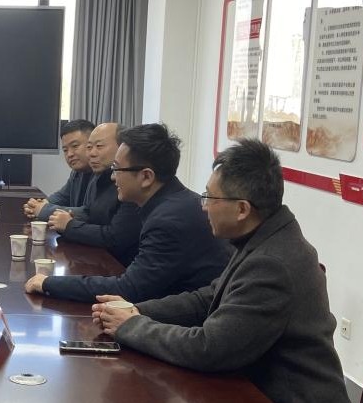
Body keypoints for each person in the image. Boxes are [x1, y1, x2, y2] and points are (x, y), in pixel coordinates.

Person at [93, 139, 352, 403]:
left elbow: (209, 348)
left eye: (210, 198)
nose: (203, 206)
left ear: (242, 209)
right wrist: (136, 309)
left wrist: (132, 326)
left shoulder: (271, 263)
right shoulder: (263, 237)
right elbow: (208, 298)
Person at [25, 123, 232, 303]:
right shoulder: (172, 201)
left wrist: (48, 283)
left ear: (146, 177)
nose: (113, 178)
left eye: (117, 169)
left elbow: (128, 289)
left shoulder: (169, 220)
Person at [46, 122, 142, 266]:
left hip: (120, 267)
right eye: (89, 147)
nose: (91, 153)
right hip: (96, 260)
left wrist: (69, 225)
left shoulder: (131, 183)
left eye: (99, 146)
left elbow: (115, 238)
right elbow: (88, 214)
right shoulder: (97, 177)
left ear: (122, 148)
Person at [23, 119, 95, 221]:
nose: (69, 154)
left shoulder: (106, 174)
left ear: (91, 145)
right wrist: (37, 205)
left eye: (75, 146)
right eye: (65, 150)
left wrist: (42, 210)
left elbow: (89, 213)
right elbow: (61, 197)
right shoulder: (77, 173)